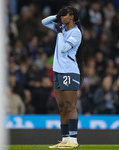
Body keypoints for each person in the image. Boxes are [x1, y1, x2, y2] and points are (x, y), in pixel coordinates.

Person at [41, 6, 82, 148]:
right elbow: (44, 22)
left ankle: (73, 140)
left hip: (69, 71)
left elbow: (63, 48)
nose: (62, 18)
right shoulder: (63, 29)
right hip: (58, 71)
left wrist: (59, 32)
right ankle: (65, 139)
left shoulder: (75, 33)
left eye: (64, 15)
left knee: (70, 105)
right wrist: (56, 16)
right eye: (61, 15)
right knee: (61, 107)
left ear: (71, 17)